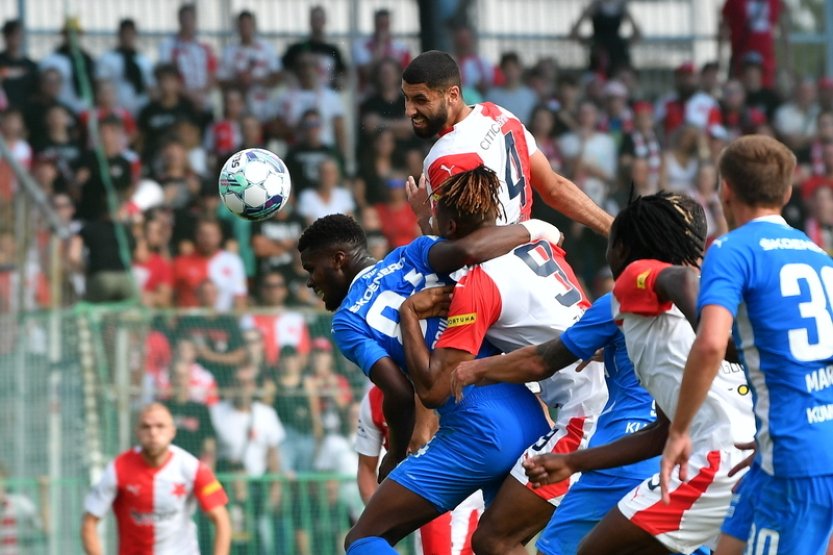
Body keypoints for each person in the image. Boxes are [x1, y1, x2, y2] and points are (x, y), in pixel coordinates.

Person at [325, 170, 564, 555]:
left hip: (476, 433)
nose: (310, 281)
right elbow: (466, 248)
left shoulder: (348, 319)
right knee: (497, 544)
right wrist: (538, 229)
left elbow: (404, 395)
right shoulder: (413, 254)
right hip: (531, 416)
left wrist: (397, 455)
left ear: (337, 260)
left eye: (311, 268)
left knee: (363, 538)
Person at [523, 192, 755, 555]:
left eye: (612, 242)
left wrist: (719, 339)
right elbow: (660, 432)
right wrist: (571, 462)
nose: (608, 252)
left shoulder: (636, 275)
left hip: (713, 461)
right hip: (743, 462)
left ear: (624, 246)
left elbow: (683, 282)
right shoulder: (714, 296)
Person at [395, 166, 606, 555]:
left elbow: (435, 388)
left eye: (437, 215)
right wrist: (429, 220)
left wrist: (408, 314)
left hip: (586, 415)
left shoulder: (479, 282)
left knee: (494, 539)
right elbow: (460, 244)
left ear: (452, 224)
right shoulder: (539, 245)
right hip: (617, 392)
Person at [661, 136, 833, 554]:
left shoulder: (731, 250)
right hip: (797, 446)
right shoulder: (818, 255)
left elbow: (710, 345)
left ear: (726, 190)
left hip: (794, 461)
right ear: (788, 192)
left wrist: (679, 430)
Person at [401, 50, 611, 235]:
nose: (409, 110)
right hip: (535, 260)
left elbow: (454, 252)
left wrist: (423, 215)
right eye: (406, 98)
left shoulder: (443, 158)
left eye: (420, 100)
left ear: (452, 95)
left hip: (491, 273)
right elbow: (554, 187)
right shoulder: (499, 114)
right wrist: (613, 227)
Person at [81, 403, 231, 555]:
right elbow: (89, 522)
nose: (153, 433)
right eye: (146, 427)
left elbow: (221, 519)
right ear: (137, 432)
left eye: (160, 426)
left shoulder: (192, 468)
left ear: (172, 431)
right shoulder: (118, 468)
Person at [355, 385, 483, 555]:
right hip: (419, 503)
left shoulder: (445, 384)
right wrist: (380, 520)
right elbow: (366, 468)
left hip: (462, 491)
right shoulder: (373, 401)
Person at [218, 10, 281, 122]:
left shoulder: (267, 48)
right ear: (237, 27)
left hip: (264, 106)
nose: (245, 28)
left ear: (254, 26)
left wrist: (256, 80)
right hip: (239, 110)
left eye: (248, 24)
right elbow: (221, 81)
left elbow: (277, 76)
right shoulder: (229, 51)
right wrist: (239, 81)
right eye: (242, 25)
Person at [97, 19, 155, 116]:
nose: (127, 37)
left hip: (140, 107)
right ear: (119, 35)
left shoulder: (144, 60)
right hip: (115, 110)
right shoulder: (108, 58)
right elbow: (101, 84)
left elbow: (150, 87)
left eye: (130, 33)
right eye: (124, 33)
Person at [282, 5, 347, 90]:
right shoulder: (298, 48)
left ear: (325, 21)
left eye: (319, 19)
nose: (317, 22)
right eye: (314, 19)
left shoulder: (333, 51)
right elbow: (282, 69)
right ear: (309, 21)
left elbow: (342, 74)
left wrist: (339, 83)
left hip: (327, 97)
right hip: (302, 97)